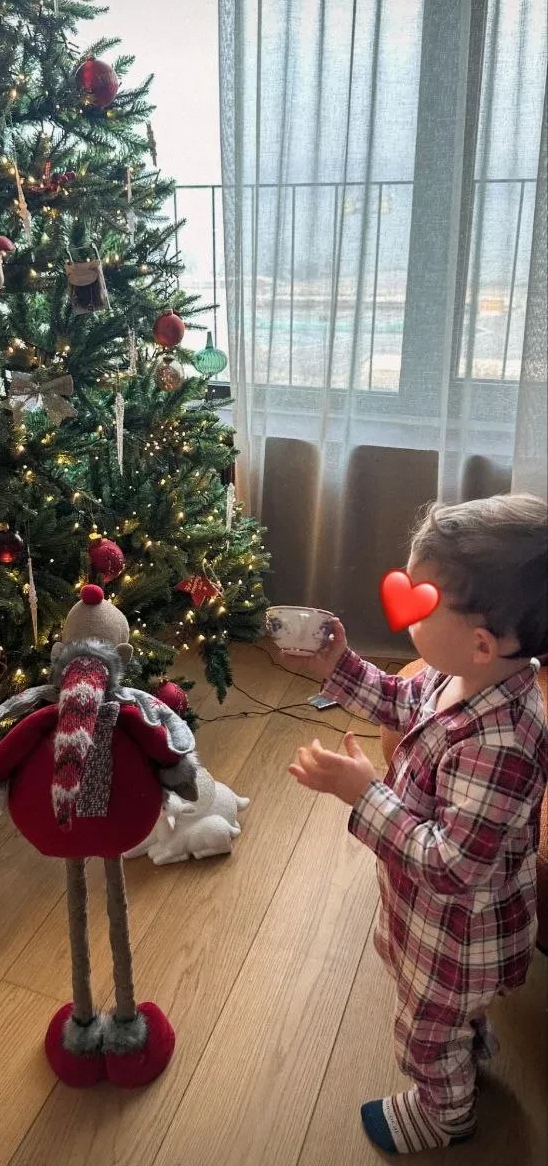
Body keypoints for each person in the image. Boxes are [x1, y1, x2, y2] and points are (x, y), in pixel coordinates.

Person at [288, 493, 548, 1155]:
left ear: (482, 642)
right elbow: (404, 700)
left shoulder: (502, 745)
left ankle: (444, 1115)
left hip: (458, 936)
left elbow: (454, 868)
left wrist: (364, 794)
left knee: (424, 1034)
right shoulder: (459, 674)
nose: (404, 614)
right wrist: (341, 669)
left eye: (422, 604)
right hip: (433, 922)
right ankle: (468, 1036)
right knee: (441, 1008)